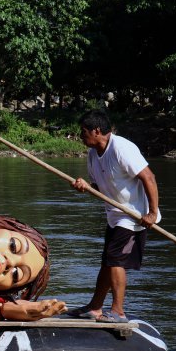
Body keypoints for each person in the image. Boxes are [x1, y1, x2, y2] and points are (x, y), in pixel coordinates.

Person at [70, 110, 160, 322]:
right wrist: (86, 187)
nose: (81, 136)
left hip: (133, 216)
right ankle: (95, 308)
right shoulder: (93, 154)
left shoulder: (121, 148)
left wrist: (152, 213)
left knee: (114, 261)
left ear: (97, 131)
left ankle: (118, 312)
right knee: (107, 262)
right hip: (114, 215)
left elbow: (149, 177)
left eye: (84, 132)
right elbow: (98, 186)